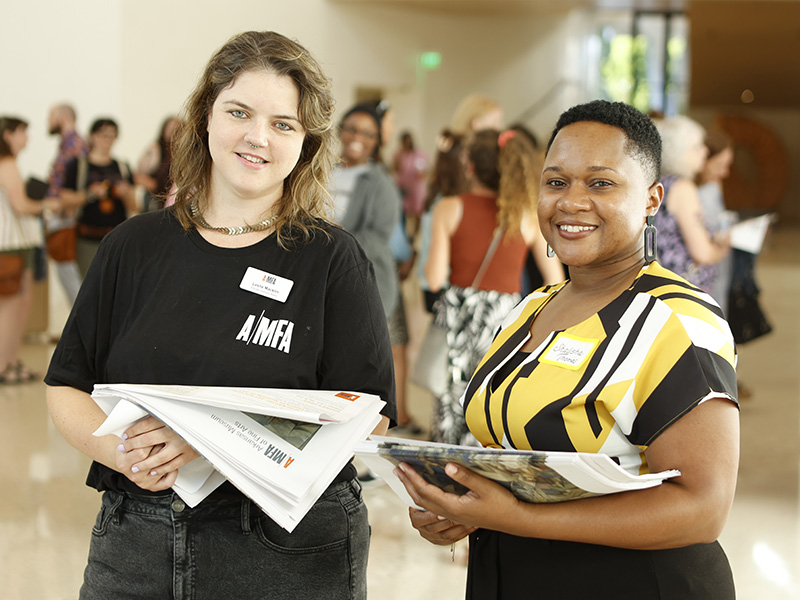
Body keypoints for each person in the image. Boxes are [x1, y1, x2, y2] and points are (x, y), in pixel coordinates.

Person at [45, 30, 395, 600]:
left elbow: (368, 414)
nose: (258, 138)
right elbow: (66, 385)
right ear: (205, 116)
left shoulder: (332, 258)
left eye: (283, 124)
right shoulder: (131, 246)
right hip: (134, 543)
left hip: (284, 547)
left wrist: (213, 446)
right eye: (239, 112)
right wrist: (128, 456)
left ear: (305, 143)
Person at [396, 100, 739, 599]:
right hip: (515, 572)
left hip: (633, 584)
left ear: (652, 198)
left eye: (601, 183)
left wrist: (515, 517)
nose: (571, 201)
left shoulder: (679, 320)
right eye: (556, 182)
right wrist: (466, 505)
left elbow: (703, 509)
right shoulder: (531, 308)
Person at [425, 128, 563, 446]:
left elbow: (433, 278)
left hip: (460, 316)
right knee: (492, 398)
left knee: (451, 400)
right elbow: (555, 280)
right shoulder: (525, 215)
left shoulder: (449, 208)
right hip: (505, 319)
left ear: (469, 166)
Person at [0, 117, 59, 383]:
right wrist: (48, 206)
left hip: (17, 242)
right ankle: (5, 366)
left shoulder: (9, 163)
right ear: (8, 135)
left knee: (19, 304)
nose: (27, 138)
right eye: (23, 132)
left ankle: (11, 362)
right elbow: (21, 205)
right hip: (11, 243)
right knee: (12, 306)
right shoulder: (7, 162)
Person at [653, 115, 730, 293]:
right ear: (680, 152)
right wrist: (722, 248)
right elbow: (702, 252)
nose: (704, 151)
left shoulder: (661, 182)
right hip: (685, 290)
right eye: (697, 147)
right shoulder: (682, 188)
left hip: (667, 286)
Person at [59, 117, 136, 277]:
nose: (107, 140)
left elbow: (134, 206)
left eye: (112, 135)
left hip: (117, 237)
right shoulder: (79, 165)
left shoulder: (122, 167)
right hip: (87, 236)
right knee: (90, 283)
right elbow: (64, 199)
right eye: (103, 135)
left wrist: (126, 194)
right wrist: (90, 194)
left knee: (116, 285)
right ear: (93, 136)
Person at [45, 103, 89, 304]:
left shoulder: (76, 145)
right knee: (66, 273)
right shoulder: (66, 145)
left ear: (63, 117)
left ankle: (81, 327)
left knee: (71, 275)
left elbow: (79, 183)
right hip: (58, 214)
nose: (48, 121)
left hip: (67, 216)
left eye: (51, 116)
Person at [696, 128, 735, 313]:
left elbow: (720, 217)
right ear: (702, 159)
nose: (724, 173)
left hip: (718, 266)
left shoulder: (713, 185)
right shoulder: (684, 192)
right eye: (719, 165)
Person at [134, 115, 180, 211]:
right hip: (155, 198)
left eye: (178, 129)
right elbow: (137, 175)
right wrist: (153, 185)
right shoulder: (155, 149)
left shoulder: (182, 152)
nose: (174, 132)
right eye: (171, 129)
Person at [393, 130, 429, 219]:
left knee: (418, 210)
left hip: (416, 187)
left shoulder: (419, 154)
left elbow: (425, 171)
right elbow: (395, 169)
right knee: (403, 210)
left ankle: (415, 231)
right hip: (403, 186)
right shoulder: (398, 155)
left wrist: (422, 173)